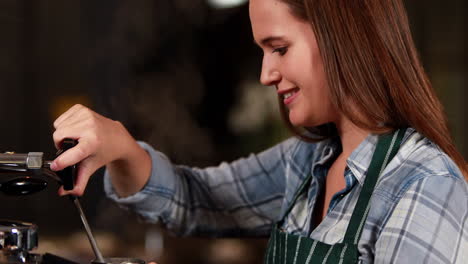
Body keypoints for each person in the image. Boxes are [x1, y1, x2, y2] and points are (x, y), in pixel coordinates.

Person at [51, 0, 468, 263]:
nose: (266, 74)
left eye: (279, 48)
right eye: (262, 51)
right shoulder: (306, 163)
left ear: (343, 37)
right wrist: (120, 147)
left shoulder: (424, 184)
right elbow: (194, 200)